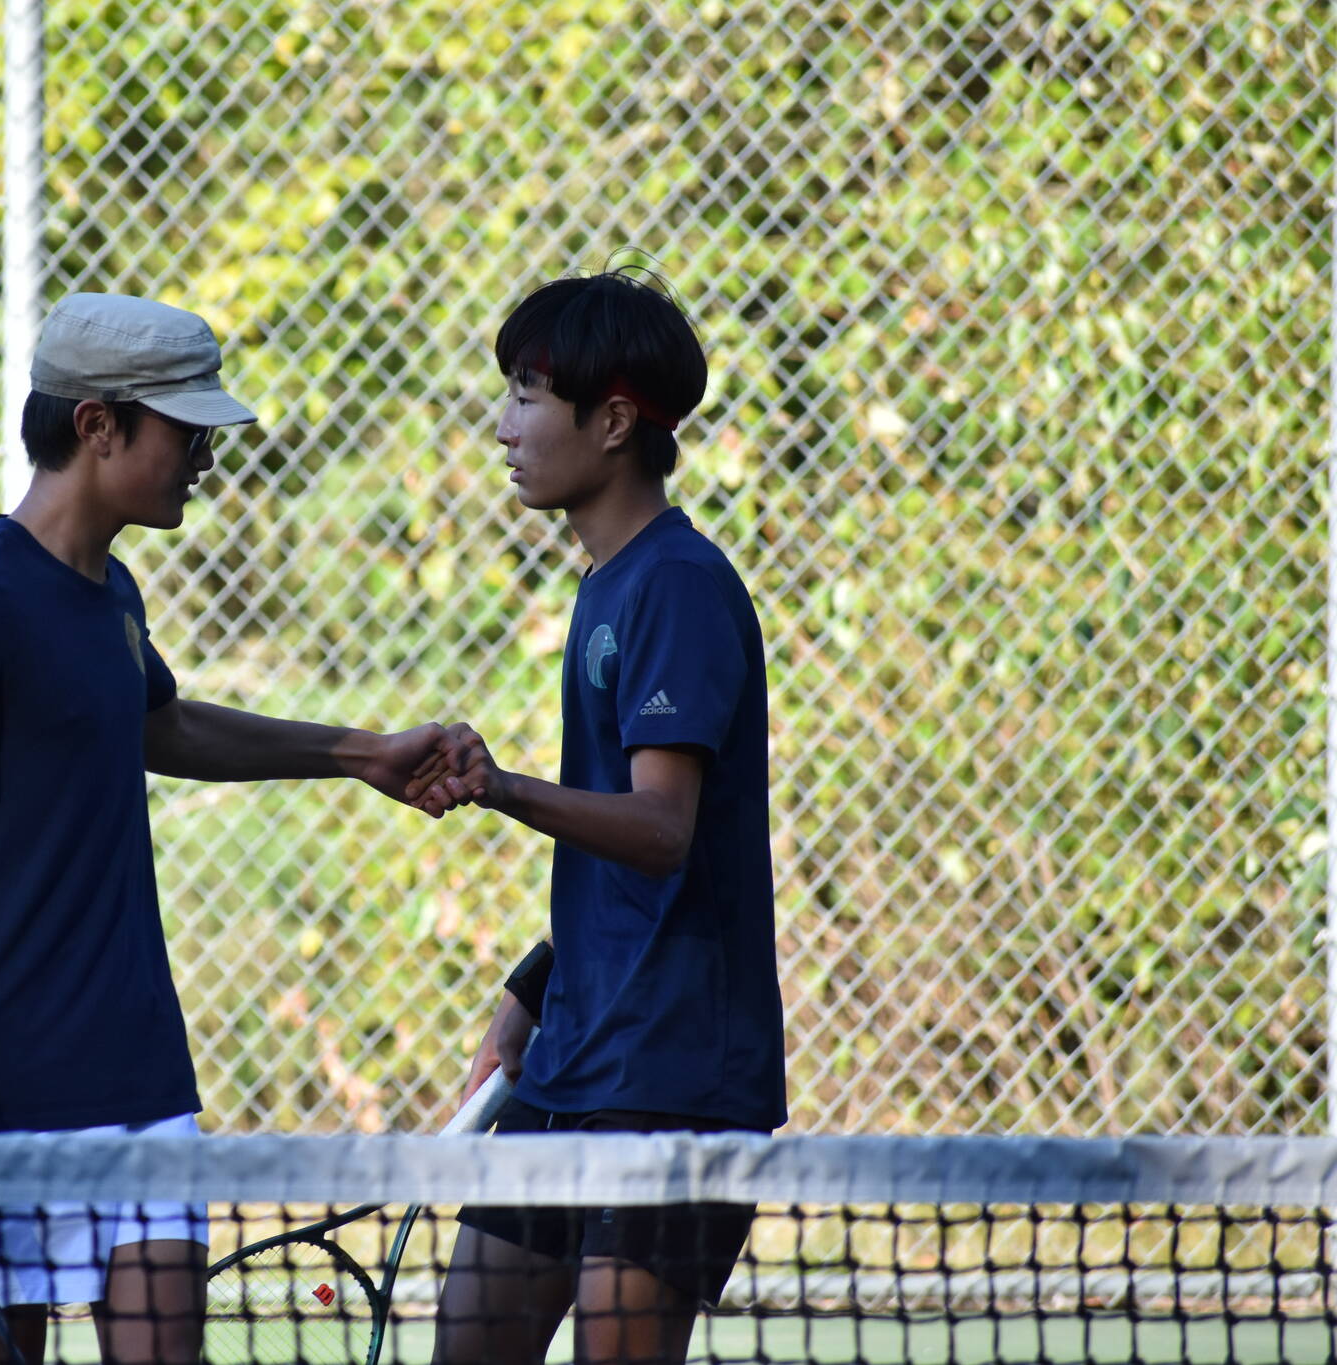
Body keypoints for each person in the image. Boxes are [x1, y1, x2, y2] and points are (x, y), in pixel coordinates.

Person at [0, 293, 456, 1365]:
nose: (204, 451)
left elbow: (156, 723)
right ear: (97, 425)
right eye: (182, 425)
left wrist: (360, 754)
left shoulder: (111, 593)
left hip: (136, 1081)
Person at [412, 268, 786, 1365]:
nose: (501, 427)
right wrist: (534, 987)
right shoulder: (604, 586)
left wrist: (497, 785)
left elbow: (663, 830)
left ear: (613, 421)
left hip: (670, 1082)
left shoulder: (676, 586)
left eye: (527, 396)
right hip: (573, 1061)